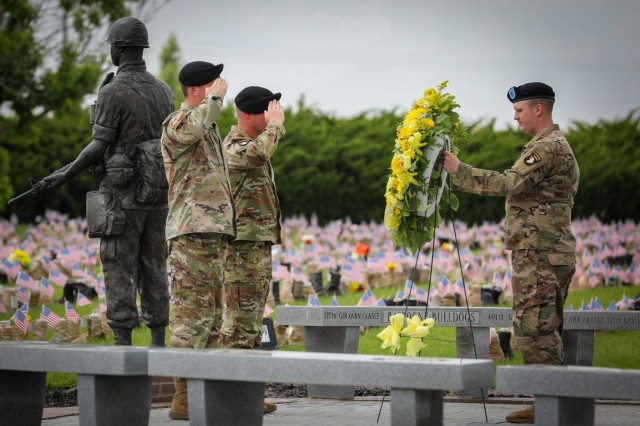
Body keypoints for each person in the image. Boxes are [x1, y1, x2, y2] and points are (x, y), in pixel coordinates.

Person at [442, 82, 580, 424]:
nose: (515, 116)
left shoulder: (547, 148)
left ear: (538, 109)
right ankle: (547, 402)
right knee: (537, 328)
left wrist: (458, 169)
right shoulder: (545, 145)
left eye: (519, 110)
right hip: (540, 254)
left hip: (542, 256)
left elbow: (509, 183)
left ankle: (550, 406)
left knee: (537, 329)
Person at [44, 17, 172, 347]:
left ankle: (122, 343)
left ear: (119, 48)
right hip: (158, 196)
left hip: (123, 198)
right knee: (155, 267)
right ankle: (159, 341)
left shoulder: (113, 92)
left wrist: (65, 173)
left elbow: (98, 145)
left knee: (118, 266)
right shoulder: (165, 91)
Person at [160, 61, 235, 421]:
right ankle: (183, 398)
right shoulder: (178, 121)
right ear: (194, 90)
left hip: (212, 233)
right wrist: (216, 99)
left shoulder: (209, 128)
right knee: (190, 317)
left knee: (214, 316)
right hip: (190, 234)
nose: (220, 86)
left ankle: (208, 391)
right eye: (212, 83)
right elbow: (189, 129)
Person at [219, 86, 285, 414]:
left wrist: (271, 126)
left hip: (256, 244)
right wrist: (276, 126)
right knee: (238, 325)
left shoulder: (254, 142)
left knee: (252, 323)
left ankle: (246, 396)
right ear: (247, 115)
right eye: (266, 111)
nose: (272, 115)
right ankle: (232, 401)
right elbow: (257, 154)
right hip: (242, 247)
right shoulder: (234, 144)